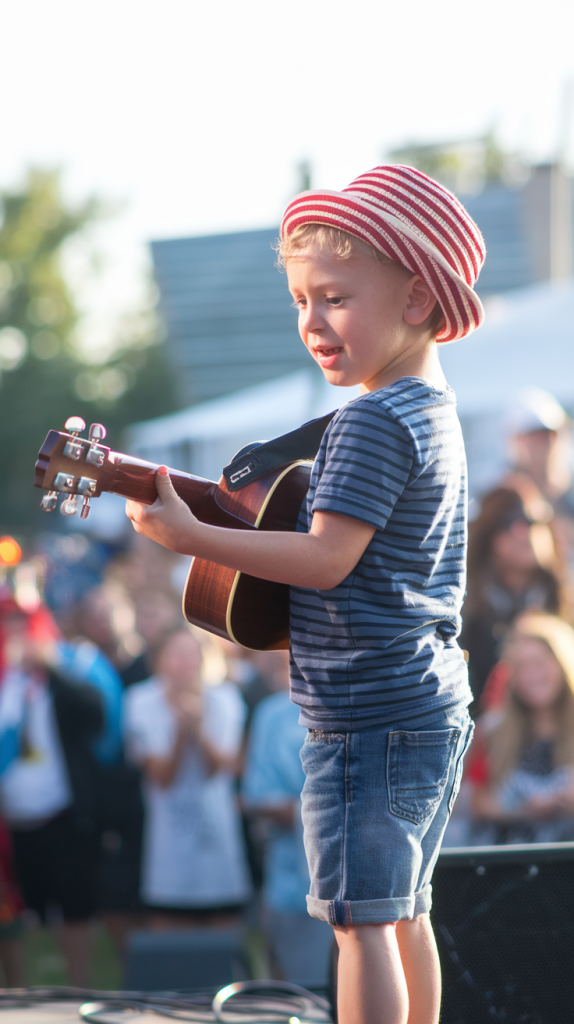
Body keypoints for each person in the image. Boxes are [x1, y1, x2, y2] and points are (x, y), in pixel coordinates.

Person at [124, 164, 485, 1024]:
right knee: (404, 911)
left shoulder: (369, 418)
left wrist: (191, 539)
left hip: (365, 714)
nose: (311, 322)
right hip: (427, 702)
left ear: (418, 300)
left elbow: (326, 559)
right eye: (300, 301)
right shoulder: (430, 406)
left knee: (359, 922)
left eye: (334, 298)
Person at [0, 596, 106, 986]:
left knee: (75, 911)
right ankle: (26, 996)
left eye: (22, 627)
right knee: (21, 915)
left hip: (63, 815)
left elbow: (95, 716)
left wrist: (52, 669)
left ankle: (79, 992)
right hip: (12, 822)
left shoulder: (64, 671)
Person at [123, 626, 251, 923]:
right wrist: (181, 733)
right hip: (167, 846)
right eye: (177, 654)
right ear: (159, 660)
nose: (186, 662)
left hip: (218, 837)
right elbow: (162, 778)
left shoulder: (226, 697)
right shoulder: (139, 700)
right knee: (170, 933)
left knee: (222, 936)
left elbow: (222, 768)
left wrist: (199, 731)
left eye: (192, 654)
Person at [242, 651, 332, 987]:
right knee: (304, 991)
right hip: (293, 886)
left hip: (361, 882)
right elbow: (258, 794)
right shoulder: (272, 715)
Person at [467, 612, 574, 845]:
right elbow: (477, 802)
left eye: (540, 663)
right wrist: (524, 809)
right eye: (522, 667)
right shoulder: (492, 731)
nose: (532, 676)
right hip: (513, 856)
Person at [460, 481, 567, 710]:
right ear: (489, 535)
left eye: (533, 521)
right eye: (508, 522)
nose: (523, 531)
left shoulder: (563, 602)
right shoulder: (465, 607)